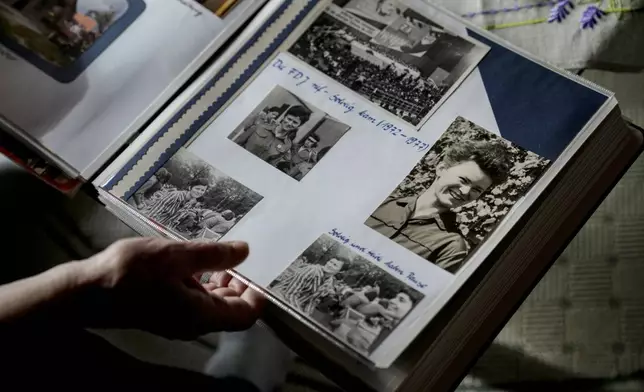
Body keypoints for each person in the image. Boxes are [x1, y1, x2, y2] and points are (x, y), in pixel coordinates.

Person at [366, 140, 511, 273]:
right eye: (464, 180)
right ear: (441, 169)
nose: (465, 191)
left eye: (477, 190)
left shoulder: (451, 246)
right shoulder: (381, 202)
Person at [233, 105, 311, 164]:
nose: (290, 123)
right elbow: (237, 143)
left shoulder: (287, 145)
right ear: (284, 117)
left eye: (295, 122)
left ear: (299, 126)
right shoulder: (260, 125)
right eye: (289, 119)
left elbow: (271, 164)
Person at [270, 258, 345, 316]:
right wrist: (299, 313)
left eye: (335, 265)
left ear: (339, 271)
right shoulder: (311, 270)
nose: (330, 265)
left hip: (297, 304)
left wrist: (306, 314)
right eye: (330, 262)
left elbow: (312, 301)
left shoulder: (329, 282)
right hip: (280, 296)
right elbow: (290, 293)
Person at [141, 178, 208, 227]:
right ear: (190, 188)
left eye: (202, 190)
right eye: (197, 188)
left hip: (160, 227)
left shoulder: (189, 204)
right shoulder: (175, 195)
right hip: (146, 222)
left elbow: (173, 221)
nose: (199, 192)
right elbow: (153, 212)